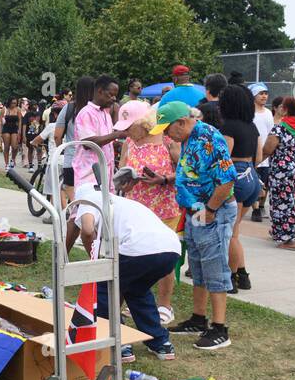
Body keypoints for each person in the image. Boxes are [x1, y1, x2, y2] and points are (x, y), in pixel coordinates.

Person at [155, 101, 237, 350]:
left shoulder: (209, 138)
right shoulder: (189, 138)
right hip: (196, 211)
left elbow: (227, 178)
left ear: (181, 122)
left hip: (212, 211)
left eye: (168, 129)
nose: (167, 135)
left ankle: (220, 328)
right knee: (199, 266)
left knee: (214, 267)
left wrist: (210, 210)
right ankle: (199, 318)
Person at [92, 192, 181, 361]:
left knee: (105, 287)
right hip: (171, 249)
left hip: (139, 248)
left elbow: (87, 229)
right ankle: (160, 342)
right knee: (137, 289)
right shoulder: (125, 204)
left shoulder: (89, 202)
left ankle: (118, 343)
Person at [118, 102, 180, 326]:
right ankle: (131, 300)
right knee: (133, 257)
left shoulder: (167, 139)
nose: (126, 131)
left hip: (164, 207)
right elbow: (122, 169)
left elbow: (184, 170)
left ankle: (164, 305)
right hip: (135, 209)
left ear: (143, 123)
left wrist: (163, 179)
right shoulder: (129, 142)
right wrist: (125, 182)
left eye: (129, 126)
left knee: (164, 257)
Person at [68, 75, 123, 258]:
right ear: (99, 91)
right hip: (88, 176)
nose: (114, 98)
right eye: (111, 94)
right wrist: (118, 134)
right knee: (87, 224)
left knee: (78, 217)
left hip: (104, 174)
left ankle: (63, 257)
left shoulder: (105, 113)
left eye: (116, 95)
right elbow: (88, 142)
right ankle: (96, 260)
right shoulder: (86, 113)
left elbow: (104, 139)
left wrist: (116, 142)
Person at [219, 84, 263, 292]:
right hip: (251, 176)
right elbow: (260, 157)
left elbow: (223, 158)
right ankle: (242, 275)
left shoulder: (228, 127)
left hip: (235, 176)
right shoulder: (251, 126)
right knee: (235, 231)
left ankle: (231, 279)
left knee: (230, 234)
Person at [263, 97, 295, 250]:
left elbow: (267, 150)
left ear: (284, 109)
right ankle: (279, 231)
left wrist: (254, 163)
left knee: (283, 204)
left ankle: (289, 240)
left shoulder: (279, 128)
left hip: (282, 171)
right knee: (289, 201)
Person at [53, 76, 94, 209]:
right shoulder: (96, 111)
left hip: (71, 159)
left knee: (76, 204)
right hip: (92, 163)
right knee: (89, 203)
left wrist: (64, 150)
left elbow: (57, 136)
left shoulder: (69, 109)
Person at [249, 83, 273, 222]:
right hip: (253, 152)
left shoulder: (269, 113)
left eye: (266, 93)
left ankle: (262, 205)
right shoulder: (250, 113)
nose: (264, 96)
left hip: (267, 154)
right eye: (261, 93)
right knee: (255, 181)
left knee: (266, 182)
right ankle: (255, 209)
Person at [0, 97, 23, 169]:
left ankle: (13, 159)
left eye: (15, 103)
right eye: (13, 103)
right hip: (6, 128)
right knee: (6, 147)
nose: (14, 104)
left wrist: (19, 131)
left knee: (14, 146)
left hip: (14, 128)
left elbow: (20, 121)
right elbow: (0, 120)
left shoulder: (18, 109)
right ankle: (6, 163)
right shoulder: (4, 109)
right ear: (9, 102)